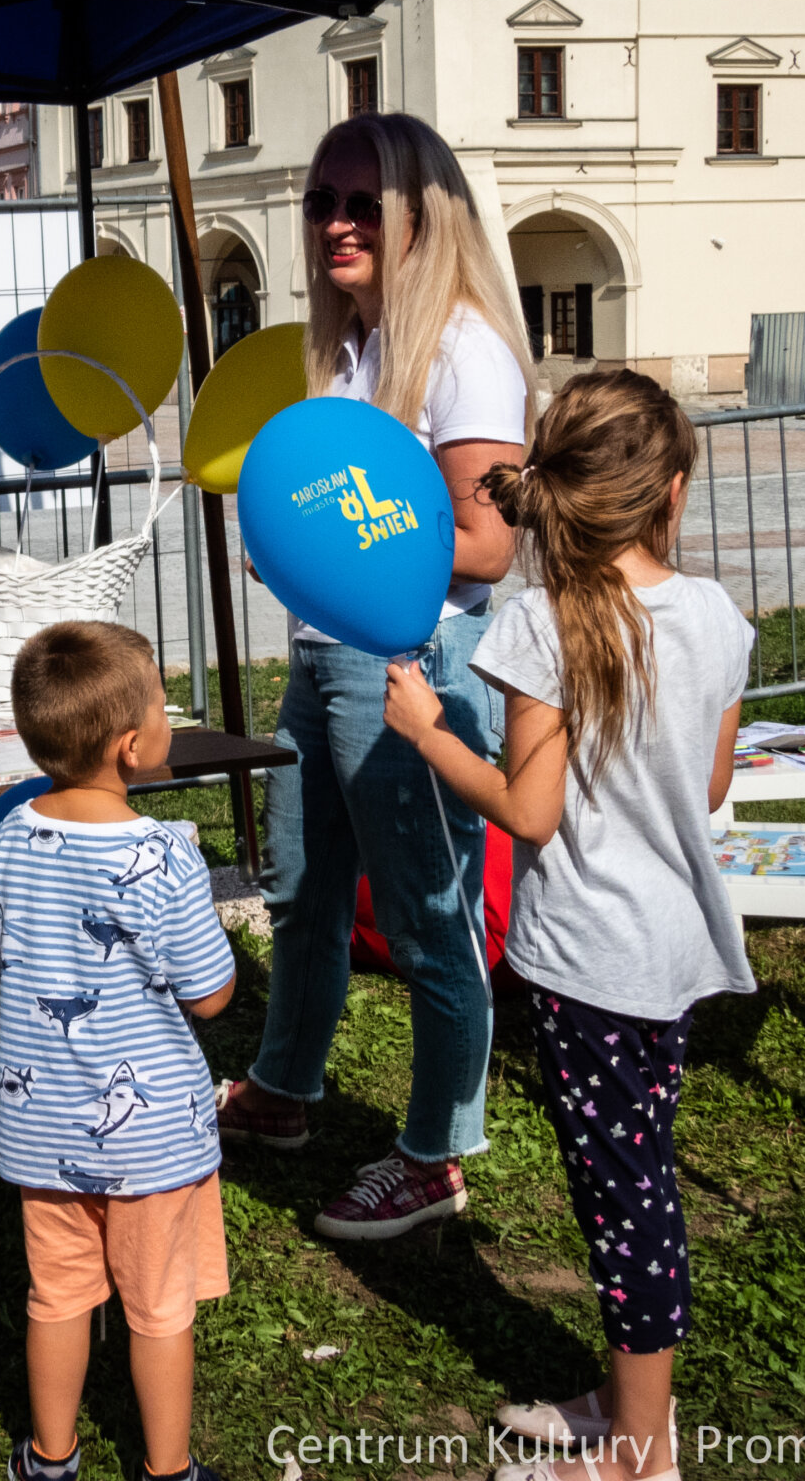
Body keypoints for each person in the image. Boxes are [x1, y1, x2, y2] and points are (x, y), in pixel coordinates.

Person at [381, 370, 754, 1481]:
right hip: (673, 953)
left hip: (588, 962)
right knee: (639, 1174)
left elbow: (527, 809)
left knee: (623, 1201)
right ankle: (623, 1403)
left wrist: (428, 731)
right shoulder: (719, 617)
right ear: (671, 496)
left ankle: (641, 1455)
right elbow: (714, 786)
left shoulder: (538, 623)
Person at [215, 111, 534, 1244]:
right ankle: (285, 1092)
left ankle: (437, 1152)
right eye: (322, 202)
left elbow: (488, 545)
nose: (337, 223)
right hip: (325, 655)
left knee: (424, 915)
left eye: (364, 203)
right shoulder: (352, 347)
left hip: (412, 661)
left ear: (421, 215)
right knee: (300, 892)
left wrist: (344, 553)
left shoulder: (460, 351)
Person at [0, 621, 237, 1481]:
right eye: (163, 704)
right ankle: (167, 1470)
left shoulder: (5, 838)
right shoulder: (162, 855)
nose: (168, 716)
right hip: (155, 1141)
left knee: (56, 1296)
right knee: (159, 1309)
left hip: (42, 1130)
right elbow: (211, 993)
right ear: (132, 746)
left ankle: (51, 1458)